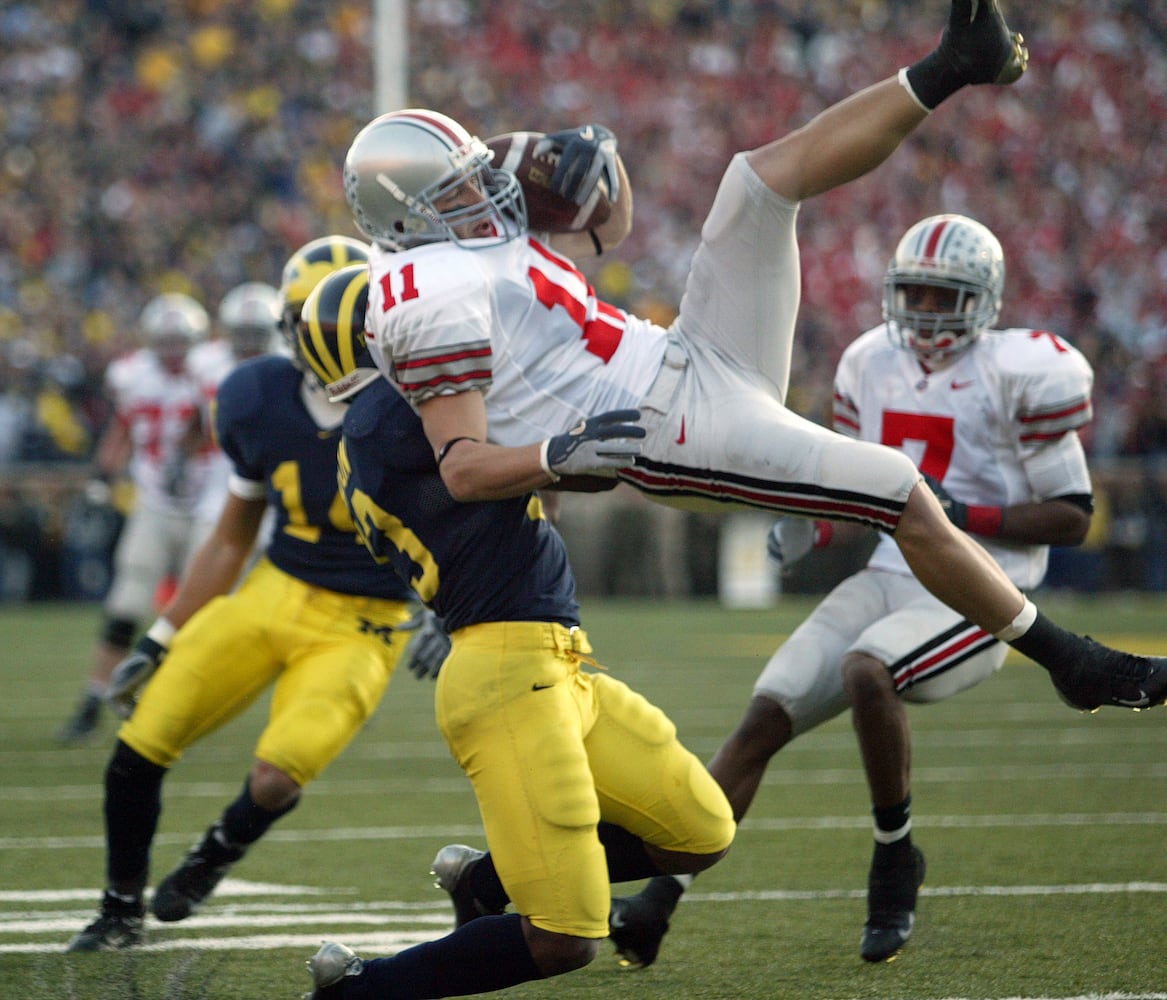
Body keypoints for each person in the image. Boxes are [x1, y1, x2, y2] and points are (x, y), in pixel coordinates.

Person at [340, 0, 1167, 720]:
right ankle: (1070, 661)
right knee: (893, 488)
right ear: (406, 220)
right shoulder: (421, 289)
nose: (484, 191)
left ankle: (956, 62)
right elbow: (465, 468)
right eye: (455, 189)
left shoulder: (478, 222)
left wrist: (602, 164)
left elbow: (611, 225)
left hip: (687, 352)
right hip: (665, 428)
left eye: (473, 176)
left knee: (755, 183)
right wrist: (556, 456)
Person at [607, 212, 1102, 967]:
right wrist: (814, 525)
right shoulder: (869, 360)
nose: (928, 313)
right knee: (762, 716)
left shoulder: (1025, 369)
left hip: (986, 586)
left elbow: (1070, 518)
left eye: (945, 298)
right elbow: (853, 488)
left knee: (867, 669)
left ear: (983, 299)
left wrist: (949, 514)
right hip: (887, 575)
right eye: (918, 295)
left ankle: (893, 856)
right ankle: (658, 899)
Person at [298, 263, 734, 998]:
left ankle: (485, 876)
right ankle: (357, 990)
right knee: (563, 939)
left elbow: (531, 476)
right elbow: (486, 456)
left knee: (698, 831)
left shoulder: (383, 426)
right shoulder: (384, 416)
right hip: (506, 672)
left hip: (556, 662)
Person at [65, 236, 441, 952]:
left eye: (346, 320)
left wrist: (449, 605)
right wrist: (161, 634)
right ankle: (118, 911)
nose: (328, 337)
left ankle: (215, 855)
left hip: (364, 619)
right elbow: (232, 536)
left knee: (276, 777)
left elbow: (483, 506)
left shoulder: (415, 405)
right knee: (139, 743)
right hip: (275, 586)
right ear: (290, 326)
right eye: (313, 320)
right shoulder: (255, 396)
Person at [57, 292, 223, 743]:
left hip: (210, 500)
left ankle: (177, 708)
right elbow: (123, 429)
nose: (171, 351)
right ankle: (93, 702)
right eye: (164, 342)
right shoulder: (135, 376)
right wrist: (101, 478)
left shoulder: (212, 369)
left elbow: (220, 426)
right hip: (154, 502)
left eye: (179, 341)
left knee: (198, 614)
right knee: (126, 604)